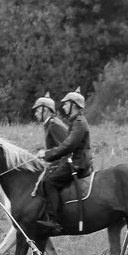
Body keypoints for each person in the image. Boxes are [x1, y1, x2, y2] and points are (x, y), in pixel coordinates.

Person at [36, 89, 92, 234]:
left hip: (78, 163)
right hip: (75, 160)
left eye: (67, 103)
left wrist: (47, 154)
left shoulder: (79, 123)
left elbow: (68, 145)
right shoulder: (75, 122)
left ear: (73, 105)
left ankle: (54, 220)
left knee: (50, 182)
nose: (64, 106)